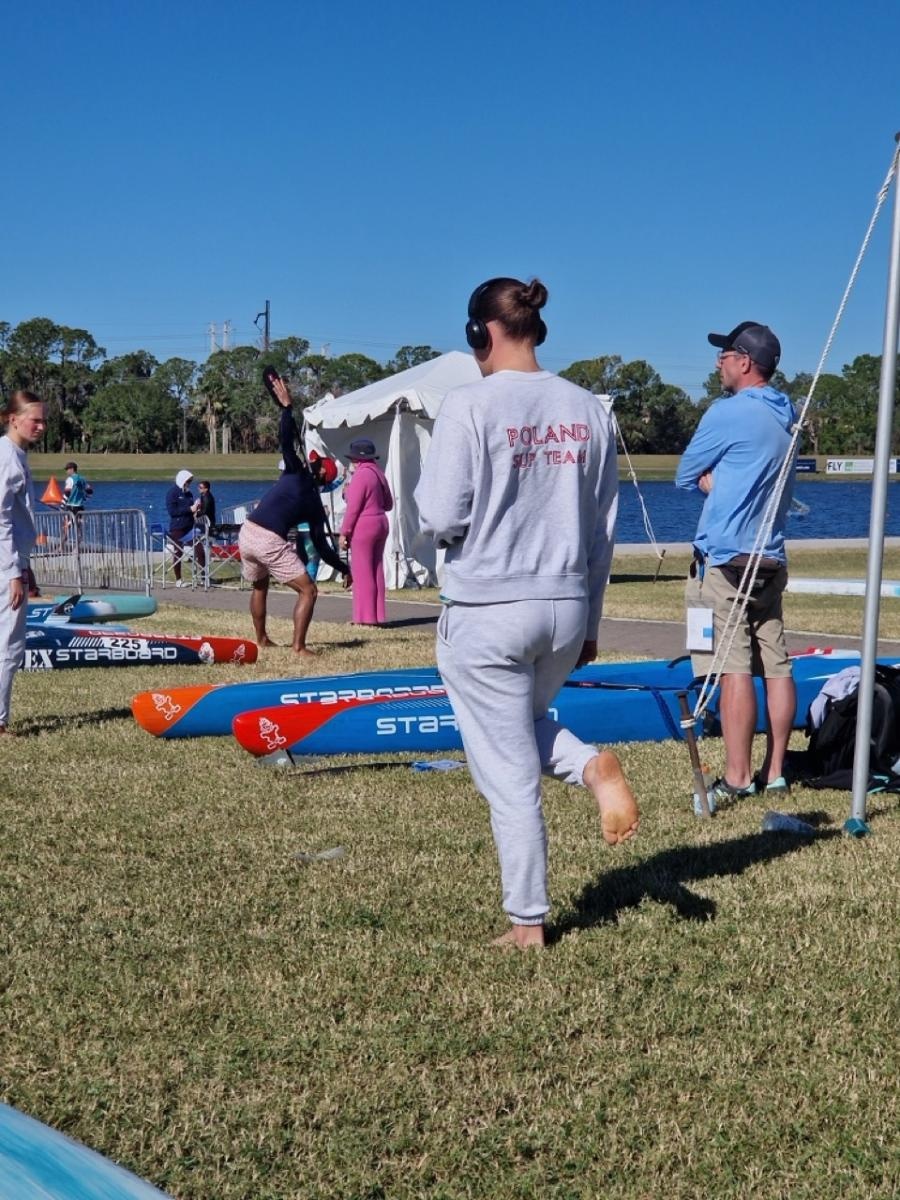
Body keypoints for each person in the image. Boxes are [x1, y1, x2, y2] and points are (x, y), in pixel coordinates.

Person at [415, 276, 639, 950]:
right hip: (566, 607)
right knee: (522, 727)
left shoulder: (468, 404)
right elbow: (603, 528)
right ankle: (590, 767)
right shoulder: (588, 408)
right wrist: (593, 619)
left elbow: (440, 514)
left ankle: (527, 921)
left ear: (479, 333)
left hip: (489, 607)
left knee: (506, 772)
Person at [675, 321, 798, 804]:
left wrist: (717, 483)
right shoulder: (788, 412)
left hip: (727, 558)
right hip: (772, 556)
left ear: (745, 362)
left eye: (725, 355)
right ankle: (778, 770)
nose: (718, 362)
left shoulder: (726, 413)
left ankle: (738, 776)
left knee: (732, 667)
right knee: (778, 664)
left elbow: (687, 475)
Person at [238, 377, 351, 655]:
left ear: (321, 472)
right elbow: (322, 548)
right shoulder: (312, 501)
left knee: (260, 585)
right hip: (267, 539)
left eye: (317, 462)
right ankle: (299, 648)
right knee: (308, 591)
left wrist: (287, 409)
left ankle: (261, 639)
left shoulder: (295, 472)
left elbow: (285, 442)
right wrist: (346, 569)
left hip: (247, 531)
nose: (312, 461)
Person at [0, 390, 47, 734]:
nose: (41, 426)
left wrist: (23, 564)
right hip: (5, 566)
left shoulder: (15, 454)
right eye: (35, 419)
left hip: (13, 561)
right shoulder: (8, 459)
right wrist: (14, 571)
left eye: (44, 420)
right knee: (9, 644)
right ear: (13, 419)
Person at [339, 438, 393, 625]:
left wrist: (345, 531)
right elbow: (389, 504)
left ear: (357, 459)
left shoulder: (361, 476)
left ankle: (364, 617)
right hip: (381, 522)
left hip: (364, 525)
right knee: (377, 570)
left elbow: (353, 508)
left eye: (353, 459)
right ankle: (378, 615)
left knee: (362, 573)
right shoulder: (379, 474)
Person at [165, 468, 205, 587]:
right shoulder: (172, 493)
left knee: (200, 549)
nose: (189, 484)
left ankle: (204, 577)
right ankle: (178, 580)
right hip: (177, 527)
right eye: (187, 482)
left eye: (190, 482)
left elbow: (191, 509)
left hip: (190, 527)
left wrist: (196, 509)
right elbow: (172, 511)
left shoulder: (189, 494)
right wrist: (189, 509)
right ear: (182, 481)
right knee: (178, 552)